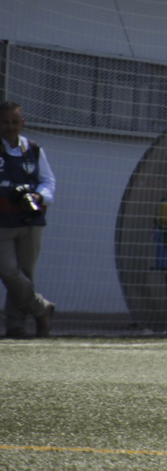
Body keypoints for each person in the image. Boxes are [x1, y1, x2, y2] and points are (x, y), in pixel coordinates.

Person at [0, 102, 55, 338]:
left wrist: (38, 195)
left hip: (31, 221)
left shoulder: (33, 149)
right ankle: (41, 308)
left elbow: (48, 181)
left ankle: (15, 325)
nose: (10, 127)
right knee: (8, 272)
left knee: (24, 273)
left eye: (14, 122)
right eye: (5, 122)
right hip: (2, 221)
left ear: (22, 123)